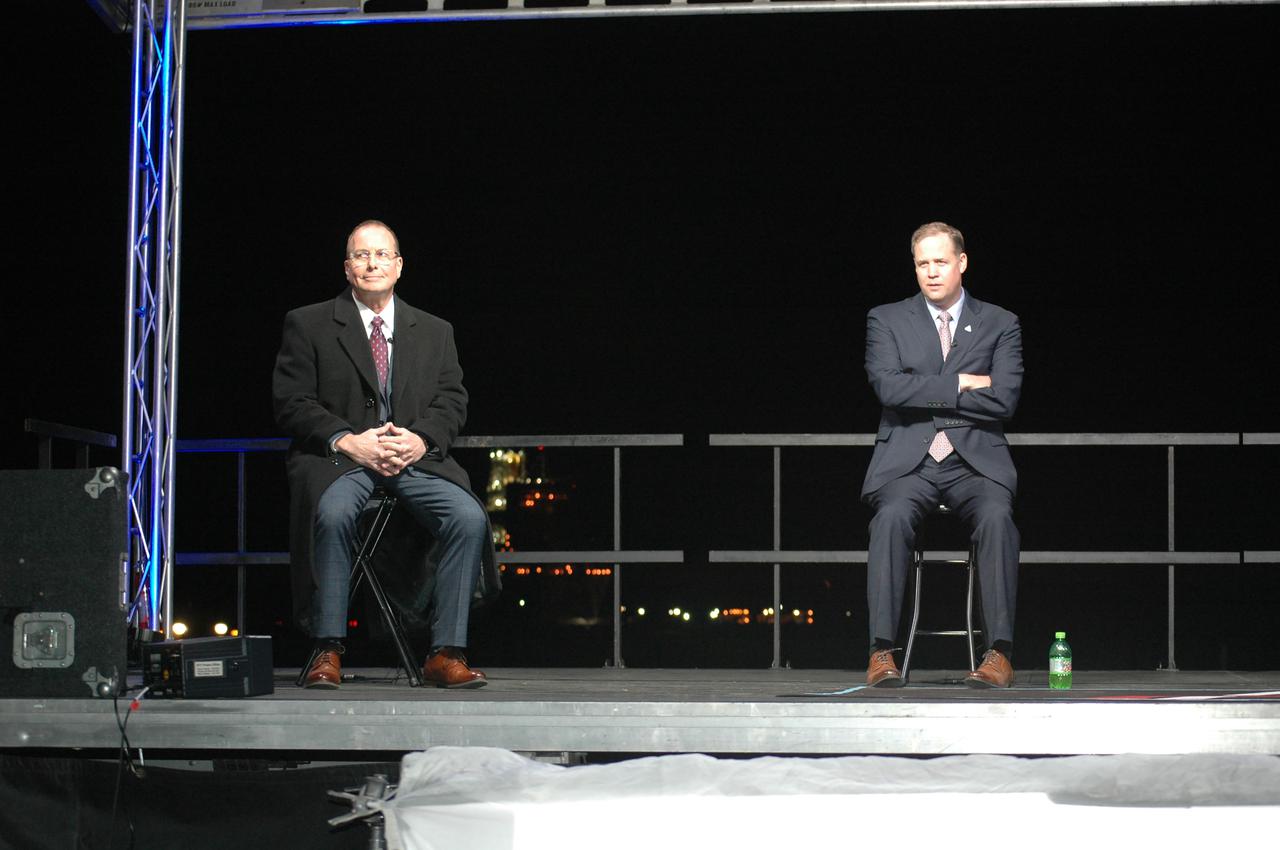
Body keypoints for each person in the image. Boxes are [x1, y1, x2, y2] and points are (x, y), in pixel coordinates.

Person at [273, 220, 497, 689]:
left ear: (398, 266)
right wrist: (348, 440)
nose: (371, 263)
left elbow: (452, 400)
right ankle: (327, 649)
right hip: (342, 460)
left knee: (468, 517)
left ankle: (445, 652)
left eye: (381, 255)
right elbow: (292, 402)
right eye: (360, 255)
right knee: (332, 515)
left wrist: (420, 440)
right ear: (347, 267)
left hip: (411, 458)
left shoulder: (436, 331)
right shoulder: (308, 322)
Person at [860, 222, 1023, 688]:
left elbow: (1005, 399)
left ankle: (999, 653)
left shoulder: (1000, 322)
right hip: (910, 461)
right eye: (922, 263)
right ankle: (881, 652)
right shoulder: (886, 318)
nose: (931, 272)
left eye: (940, 262)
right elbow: (888, 387)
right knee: (890, 519)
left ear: (962, 263)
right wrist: (964, 382)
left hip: (973, 461)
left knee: (997, 518)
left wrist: (921, 390)